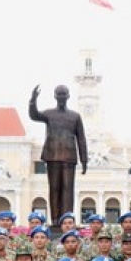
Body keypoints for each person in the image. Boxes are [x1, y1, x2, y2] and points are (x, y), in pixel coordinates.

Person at [28, 84, 88, 223]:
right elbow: (34, 115)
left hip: (69, 157)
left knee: (68, 188)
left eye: (64, 94)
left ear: (68, 96)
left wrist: (84, 159)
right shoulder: (49, 114)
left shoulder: (75, 116)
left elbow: (81, 138)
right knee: (54, 188)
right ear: (55, 96)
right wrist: (33, 100)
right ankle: (55, 220)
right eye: (59, 94)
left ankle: (67, 219)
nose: (61, 97)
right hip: (52, 155)